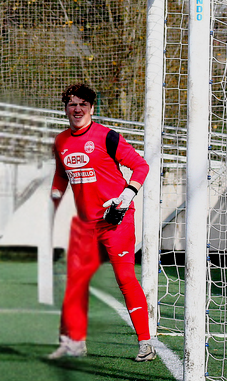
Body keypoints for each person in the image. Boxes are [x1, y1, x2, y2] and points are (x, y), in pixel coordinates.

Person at [48, 83, 155, 362]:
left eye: (83, 104)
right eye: (72, 104)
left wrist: (127, 195)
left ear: (92, 108)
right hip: (86, 225)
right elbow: (60, 176)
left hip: (115, 220)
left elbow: (141, 166)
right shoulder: (60, 141)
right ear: (65, 109)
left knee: (125, 279)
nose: (77, 109)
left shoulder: (107, 137)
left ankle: (145, 344)